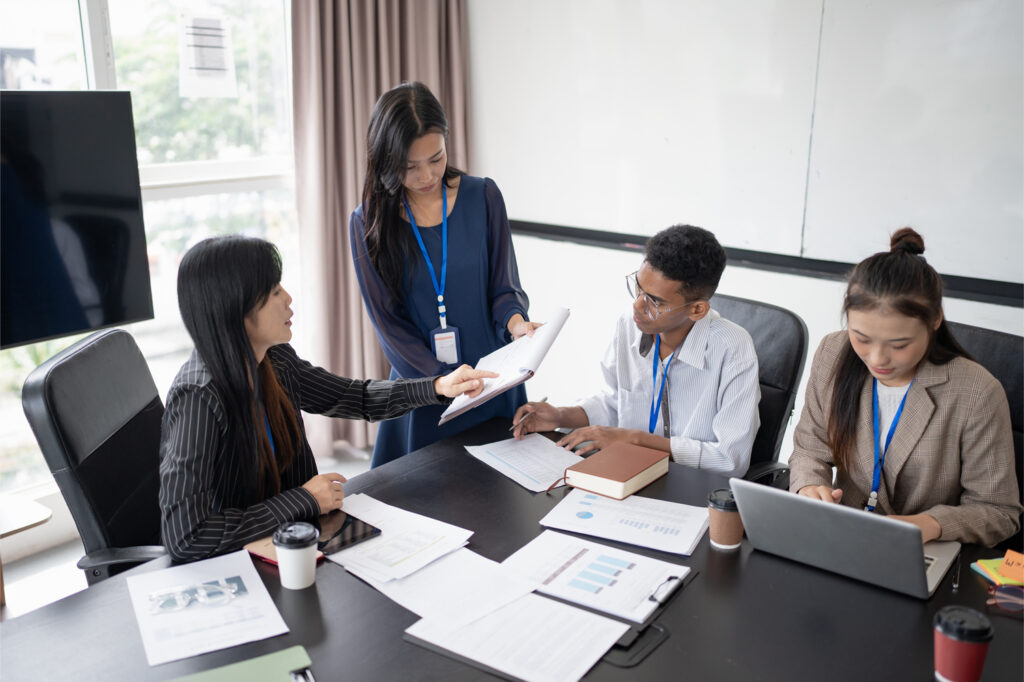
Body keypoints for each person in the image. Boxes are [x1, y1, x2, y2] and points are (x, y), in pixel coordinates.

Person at [159, 235, 495, 562]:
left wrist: (438, 386)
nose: (288, 299)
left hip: (294, 546)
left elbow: (356, 397)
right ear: (237, 309)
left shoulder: (274, 360)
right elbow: (187, 536)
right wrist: (303, 500)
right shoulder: (198, 398)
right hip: (240, 569)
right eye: (274, 291)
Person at [789, 228, 1021, 547]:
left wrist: (929, 524)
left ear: (935, 319)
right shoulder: (832, 353)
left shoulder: (976, 392)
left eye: (899, 344)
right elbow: (809, 448)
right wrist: (809, 487)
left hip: (922, 550)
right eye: (862, 338)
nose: (877, 358)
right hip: (840, 538)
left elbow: (998, 511)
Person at [350, 81, 539, 467]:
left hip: (491, 379)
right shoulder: (368, 222)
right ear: (386, 160)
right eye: (409, 166)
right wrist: (439, 381)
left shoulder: (483, 196)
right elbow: (389, 325)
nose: (426, 175)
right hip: (423, 389)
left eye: (436, 158)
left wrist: (516, 322)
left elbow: (503, 287)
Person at [512, 225, 760, 477]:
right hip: (628, 473)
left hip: (692, 486)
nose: (637, 306)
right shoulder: (628, 325)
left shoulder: (732, 348)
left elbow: (731, 460)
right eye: (639, 287)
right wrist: (560, 416)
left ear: (697, 309)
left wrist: (636, 440)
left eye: (655, 302)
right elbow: (615, 402)